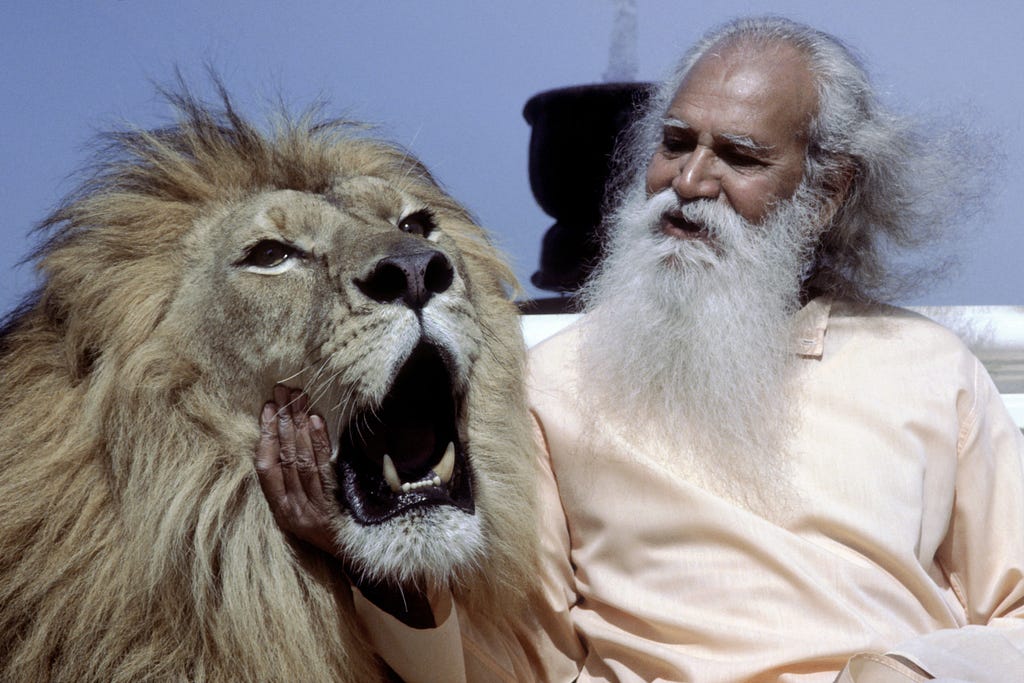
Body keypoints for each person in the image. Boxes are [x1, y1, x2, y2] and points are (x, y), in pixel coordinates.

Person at [255, 16, 1024, 682]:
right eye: (675, 143)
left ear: (827, 194)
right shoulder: (561, 381)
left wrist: (915, 668)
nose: (688, 182)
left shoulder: (926, 365)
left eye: (741, 157)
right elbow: (519, 665)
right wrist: (357, 546)